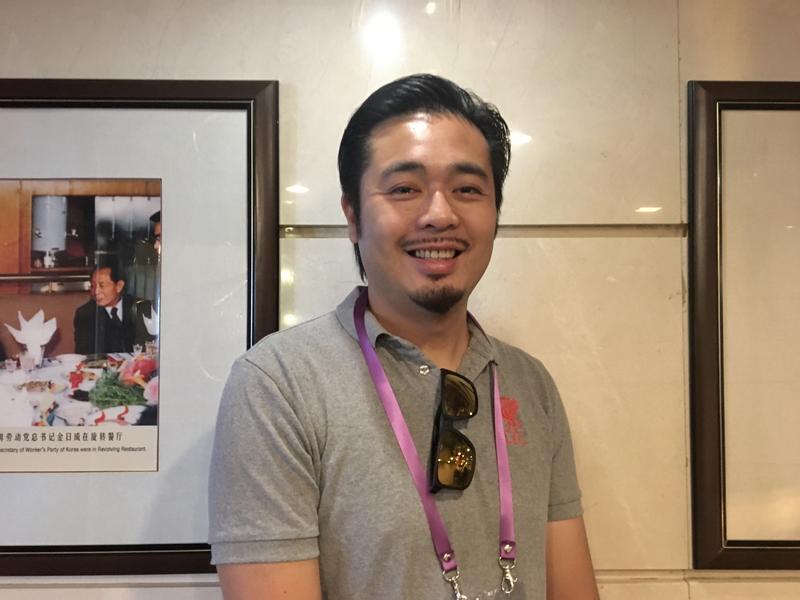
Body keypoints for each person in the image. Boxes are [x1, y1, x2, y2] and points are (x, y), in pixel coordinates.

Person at [209, 74, 599, 600]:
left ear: (495, 213)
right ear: (353, 216)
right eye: (404, 189)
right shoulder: (278, 386)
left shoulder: (530, 383)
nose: (440, 214)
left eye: (467, 189)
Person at [73, 261, 154, 354]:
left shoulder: (141, 308)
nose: (96, 292)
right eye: (93, 286)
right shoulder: (85, 313)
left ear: (119, 286)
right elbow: (85, 354)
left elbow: (149, 347)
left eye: (102, 285)